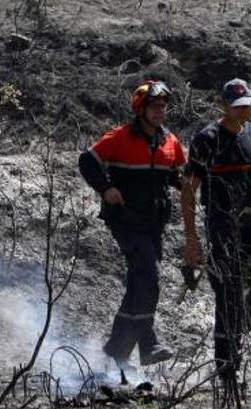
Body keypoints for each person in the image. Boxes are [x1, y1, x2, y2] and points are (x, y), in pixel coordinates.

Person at [78, 80, 186, 369]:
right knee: (149, 278)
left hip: (154, 224)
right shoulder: (120, 137)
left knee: (141, 284)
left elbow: (177, 175)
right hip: (126, 221)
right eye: (154, 106)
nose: (160, 111)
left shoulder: (170, 141)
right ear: (140, 109)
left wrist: (187, 181)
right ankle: (148, 344)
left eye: (163, 106)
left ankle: (118, 349)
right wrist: (105, 188)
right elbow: (87, 161)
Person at [181, 78, 251, 395]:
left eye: (247, 104)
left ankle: (236, 331)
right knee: (227, 293)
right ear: (224, 106)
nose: (244, 110)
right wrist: (192, 238)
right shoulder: (206, 139)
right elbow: (188, 189)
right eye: (237, 106)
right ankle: (226, 374)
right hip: (222, 224)